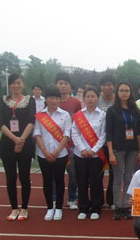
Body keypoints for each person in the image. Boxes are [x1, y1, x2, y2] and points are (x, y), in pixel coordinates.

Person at [0, 73, 35, 221]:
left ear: (23, 84)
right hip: (7, 144)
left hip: (25, 144)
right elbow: (0, 123)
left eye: (19, 82)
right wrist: (14, 139)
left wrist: (21, 140)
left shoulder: (30, 100)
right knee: (10, 178)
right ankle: (14, 208)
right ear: (9, 85)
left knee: (25, 177)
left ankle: (24, 208)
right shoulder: (3, 101)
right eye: (13, 83)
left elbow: (31, 122)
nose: (16, 85)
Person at [34, 86, 71, 221]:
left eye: (56, 98)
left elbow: (67, 134)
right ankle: (50, 207)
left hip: (60, 154)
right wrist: (44, 151)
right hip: (43, 154)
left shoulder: (65, 115)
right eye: (51, 98)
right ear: (46, 99)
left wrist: (56, 151)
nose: (54, 101)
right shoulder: (40, 115)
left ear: (59, 100)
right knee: (47, 181)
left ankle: (59, 208)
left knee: (59, 180)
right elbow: (37, 133)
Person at [106, 81, 140, 220]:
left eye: (127, 90)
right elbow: (108, 132)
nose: (124, 93)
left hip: (132, 149)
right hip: (117, 149)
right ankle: (117, 206)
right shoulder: (112, 110)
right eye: (121, 90)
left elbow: (137, 131)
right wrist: (110, 152)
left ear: (130, 92)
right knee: (117, 179)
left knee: (129, 178)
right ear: (117, 93)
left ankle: (126, 205)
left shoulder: (135, 110)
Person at [71, 86, 106, 220]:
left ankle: (96, 208)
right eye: (88, 97)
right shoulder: (79, 115)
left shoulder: (102, 115)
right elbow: (75, 133)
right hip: (80, 154)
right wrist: (82, 149)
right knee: (82, 182)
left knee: (96, 182)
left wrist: (93, 150)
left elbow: (103, 135)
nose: (90, 99)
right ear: (84, 99)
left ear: (97, 98)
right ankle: (83, 208)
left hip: (96, 155)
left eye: (93, 96)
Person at [55, 71, 82, 210]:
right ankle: (55, 199)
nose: (63, 86)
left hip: (71, 144)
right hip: (55, 144)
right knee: (56, 175)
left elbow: (80, 122)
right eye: (60, 83)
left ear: (70, 86)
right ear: (56, 85)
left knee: (73, 174)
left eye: (65, 84)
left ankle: (72, 198)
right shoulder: (52, 101)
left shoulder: (76, 103)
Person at [98, 74, 116, 211]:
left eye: (109, 84)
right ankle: (98, 200)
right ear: (101, 87)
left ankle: (111, 200)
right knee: (97, 173)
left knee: (113, 174)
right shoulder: (95, 100)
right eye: (104, 85)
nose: (106, 87)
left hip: (113, 143)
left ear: (113, 86)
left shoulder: (118, 101)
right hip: (97, 143)